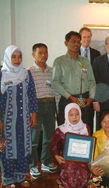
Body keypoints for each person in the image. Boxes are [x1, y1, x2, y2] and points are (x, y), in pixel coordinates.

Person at [0, 45, 38, 187]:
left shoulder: (26, 74)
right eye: (13, 56)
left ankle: (21, 177)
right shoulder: (2, 75)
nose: (17, 59)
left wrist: (34, 114)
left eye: (19, 56)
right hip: (7, 121)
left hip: (24, 120)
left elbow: (32, 95)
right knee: (8, 150)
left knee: (24, 148)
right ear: (8, 58)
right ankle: (8, 179)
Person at [52, 31, 96, 134]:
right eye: (73, 41)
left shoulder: (85, 61)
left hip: (85, 101)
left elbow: (92, 82)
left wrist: (91, 98)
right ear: (66, 43)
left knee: (86, 130)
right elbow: (55, 82)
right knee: (66, 133)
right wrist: (70, 97)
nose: (76, 44)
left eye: (78, 42)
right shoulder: (59, 61)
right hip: (68, 100)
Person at [28, 43, 58, 179]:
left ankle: (46, 162)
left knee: (49, 137)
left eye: (46, 52)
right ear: (33, 54)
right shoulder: (29, 72)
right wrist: (31, 112)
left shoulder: (52, 71)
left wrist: (57, 109)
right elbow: (28, 94)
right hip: (36, 107)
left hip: (50, 104)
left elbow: (56, 91)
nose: (44, 55)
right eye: (40, 52)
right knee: (34, 138)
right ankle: (33, 165)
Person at [51, 103, 91, 188]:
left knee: (83, 171)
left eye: (77, 114)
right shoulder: (61, 130)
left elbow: (88, 145)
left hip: (82, 159)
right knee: (70, 169)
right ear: (66, 115)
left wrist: (89, 157)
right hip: (66, 159)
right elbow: (53, 146)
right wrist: (57, 156)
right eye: (71, 115)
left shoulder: (85, 128)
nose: (74, 117)